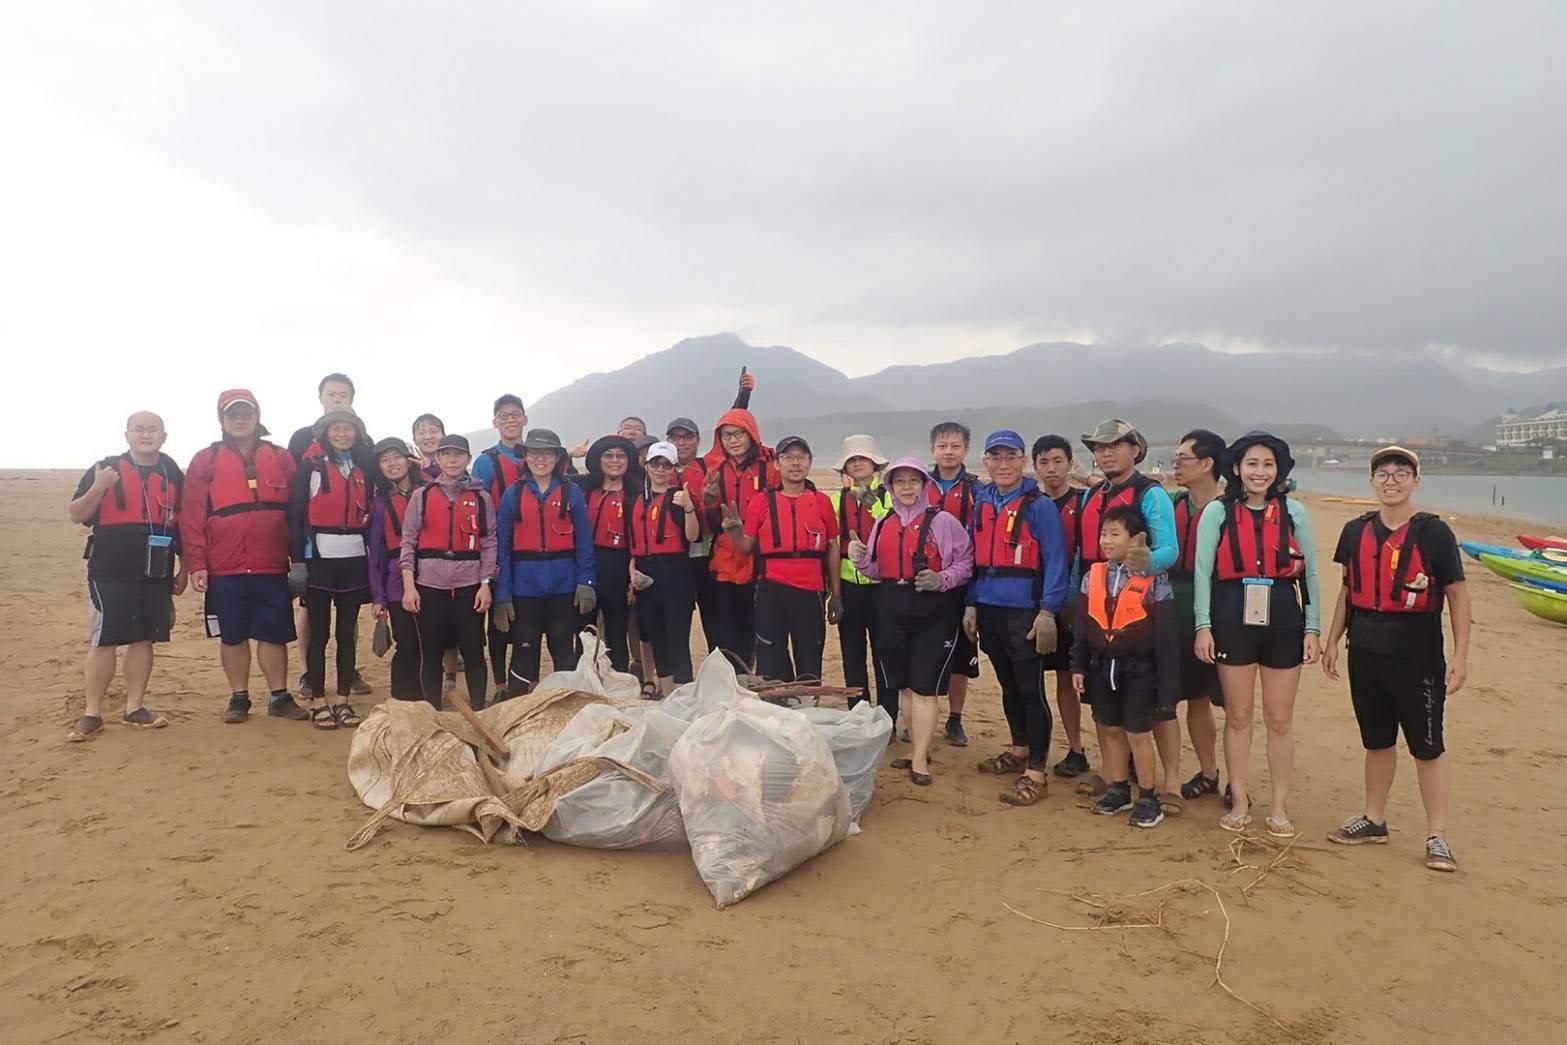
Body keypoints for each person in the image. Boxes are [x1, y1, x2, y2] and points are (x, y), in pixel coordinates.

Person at [1322, 446, 1469, 873]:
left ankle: (1437, 835)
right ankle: (1374, 819)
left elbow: (1457, 594)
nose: (1391, 480)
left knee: (1427, 745)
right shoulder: (1355, 531)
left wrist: (1460, 655)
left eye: (1401, 473)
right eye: (1383, 473)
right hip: (1365, 648)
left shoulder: (1434, 533)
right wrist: (1332, 640)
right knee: (1377, 740)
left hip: (1417, 651)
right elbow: (1348, 591)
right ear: (1372, 482)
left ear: (1415, 482)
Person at [1194, 431, 1321, 836]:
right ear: (1236, 468)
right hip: (1232, 614)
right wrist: (1203, 626)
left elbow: (1312, 574)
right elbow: (1201, 573)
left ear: (1278, 470)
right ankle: (1240, 800)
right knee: (1239, 715)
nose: (1259, 472)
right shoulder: (1217, 513)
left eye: (1268, 464)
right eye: (1252, 464)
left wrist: (1313, 627)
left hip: (1284, 614)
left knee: (1280, 718)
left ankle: (1280, 807)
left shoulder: (1294, 513)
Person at [181, 390, 310, 724]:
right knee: (233, 633)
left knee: (273, 633)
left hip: (271, 563)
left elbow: (298, 513)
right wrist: (197, 563)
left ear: (257, 417)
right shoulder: (204, 460)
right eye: (232, 415)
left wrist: (299, 560)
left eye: (246, 414)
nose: (240, 420)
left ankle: (279, 696)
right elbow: (192, 515)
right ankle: (239, 697)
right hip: (224, 565)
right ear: (222, 420)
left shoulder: (280, 457)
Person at [850, 458, 973, 785]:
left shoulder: (943, 521)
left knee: (924, 687)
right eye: (899, 481)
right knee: (903, 684)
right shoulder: (884, 523)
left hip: (932, 609)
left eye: (913, 481)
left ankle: (920, 757)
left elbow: (965, 561)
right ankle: (912, 749)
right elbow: (877, 569)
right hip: (891, 605)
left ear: (924, 485)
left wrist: (942, 578)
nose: (907, 487)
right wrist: (860, 560)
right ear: (890, 487)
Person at [1075, 419, 1178, 805]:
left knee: (1156, 711)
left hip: (1141, 607)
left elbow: (1170, 549)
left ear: (1136, 449)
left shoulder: (1152, 495)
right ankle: (1114, 776)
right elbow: (1081, 555)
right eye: (1099, 447)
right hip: (1097, 604)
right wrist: (1073, 602)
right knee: (1105, 711)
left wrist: (1145, 562)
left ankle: (1168, 785)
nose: (1105, 453)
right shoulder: (1092, 496)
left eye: (1115, 445)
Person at [964, 430, 1070, 807]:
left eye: (1011, 457)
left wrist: (1047, 611)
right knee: (1007, 687)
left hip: (1025, 609)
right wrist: (971, 603)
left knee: (1030, 690)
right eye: (996, 457)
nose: (1003, 464)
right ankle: (1020, 750)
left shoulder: (1038, 506)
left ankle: (1037, 772)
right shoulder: (982, 502)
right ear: (986, 462)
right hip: (990, 607)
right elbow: (974, 559)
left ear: (1023, 460)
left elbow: (1057, 560)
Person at [66, 411, 186, 741]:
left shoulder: (172, 471)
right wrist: (99, 487)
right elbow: (76, 514)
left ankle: (135, 707)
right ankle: (92, 713)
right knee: (104, 639)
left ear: (164, 435)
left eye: (153, 430)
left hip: (156, 569)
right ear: (127, 434)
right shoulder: (105, 468)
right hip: (110, 568)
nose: (146, 435)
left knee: (144, 638)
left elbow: (183, 524)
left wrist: (185, 568)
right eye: (139, 429)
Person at [286, 372, 373, 698]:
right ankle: (313, 682)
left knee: (347, 628)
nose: (337, 399)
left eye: (344, 395)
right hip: (317, 555)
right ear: (321, 397)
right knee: (316, 624)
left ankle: (345, 685)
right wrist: (296, 559)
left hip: (353, 556)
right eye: (332, 394)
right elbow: (295, 509)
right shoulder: (305, 452)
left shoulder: (365, 454)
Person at [398, 433, 496, 709]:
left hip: (469, 585)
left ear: (467, 459)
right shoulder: (423, 495)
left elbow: (489, 543)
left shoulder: (481, 498)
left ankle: (479, 708)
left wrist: (486, 583)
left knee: (474, 650)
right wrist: (409, 586)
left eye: (459, 455)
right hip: (430, 585)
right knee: (431, 652)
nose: (453, 460)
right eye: (447, 454)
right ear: (438, 459)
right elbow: (409, 541)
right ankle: (433, 710)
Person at [494, 429, 596, 693]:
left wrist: (586, 581)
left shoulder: (571, 492)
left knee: (563, 647)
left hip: (564, 586)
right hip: (524, 588)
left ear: (557, 457)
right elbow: (502, 549)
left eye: (548, 453)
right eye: (535, 453)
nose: (541, 459)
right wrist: (502, 595)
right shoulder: (511, 495)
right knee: (524, 647)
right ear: (525, 456)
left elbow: (584, 540)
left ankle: (567, 707)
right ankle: (519, 709)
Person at [733, 435, 841, 682]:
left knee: (809, 657)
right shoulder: (761, 501)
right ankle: (776, 711)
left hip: (811, 589)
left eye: (801, 457)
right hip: (771, 589)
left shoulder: (821, 501)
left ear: (810, 462)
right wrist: (734, 531)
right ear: (777, 464)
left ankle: (807, 711)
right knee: (771, 660)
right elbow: (746, 547)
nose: (795, 463)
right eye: (788, 457)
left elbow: (832, 547)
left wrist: (836, 595)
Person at [695, 407, 779, 667]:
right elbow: (708, 523)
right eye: (726, 435)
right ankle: (730, 679)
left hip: (759, 557)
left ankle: (756, 680)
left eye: (738, 434)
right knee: (725, 626)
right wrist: (707, 502)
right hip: (724, 558)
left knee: (756, 625)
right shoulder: (716, 471)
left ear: (751, 434)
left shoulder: (770, 469)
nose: (732, 440)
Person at [1170, 429, 1227, 803]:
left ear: (1207, 464)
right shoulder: (1174, 502)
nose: (1176, 465)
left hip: (1221, 612)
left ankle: (1236, 781)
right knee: (1192, 697)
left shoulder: (1231, 510)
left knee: (1232, 706)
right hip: (1174, 610)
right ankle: (1207, 773)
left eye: (1183, 459)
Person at [1032, 434, 1088, 776]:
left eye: (1057, 461)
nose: (1051, 469)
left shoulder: (1086, 502)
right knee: (1035, 680)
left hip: (1076, 606)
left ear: (1070, 464)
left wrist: (1088, 478)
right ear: (1034, 467)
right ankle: (1042, 748)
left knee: (1074, 680)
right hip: (1038, 603)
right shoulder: (1032, 503)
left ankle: (1080, 749)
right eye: (1043, 462)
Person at [629, 441, 703, 695]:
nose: (660, 469)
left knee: (677, 638)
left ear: (673, 467)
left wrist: (690, 507)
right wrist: (632, 572)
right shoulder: (636, 500)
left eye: (666, 464)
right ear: (646, 466)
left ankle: (683, 694)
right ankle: (667, 691)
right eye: (655, 463)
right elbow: (632, 543)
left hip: (675, 571)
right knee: (656, 636)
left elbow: (693, 537)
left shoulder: (678, 498)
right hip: (645, 573)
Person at [927, 422, 982, 746]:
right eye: (943, 445)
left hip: (963, 583)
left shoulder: (977, 488)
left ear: (966, 450)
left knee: (962, 653)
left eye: (955, 446)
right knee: (928, 651)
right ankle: (925, 715)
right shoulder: (920, 483)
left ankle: (955, 719)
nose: (949, 451)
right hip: (927, 583)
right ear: (933, 449)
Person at [829, 435, 891, 710]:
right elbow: (831, 547)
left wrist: (873, 506)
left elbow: (897, 531)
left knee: (886, 655)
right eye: (852, 460)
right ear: (845, 469)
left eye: (862, 458)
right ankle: (859, 713)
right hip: (848, 587)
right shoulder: (835, 501)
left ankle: (888, 716)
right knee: (852, 656)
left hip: (884, 587)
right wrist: (835, 594)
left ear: (874, 464)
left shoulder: (891, 496)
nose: (857, 463)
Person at [472, 394, 529, 696]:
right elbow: (476, 502)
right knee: (498, 619)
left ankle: (521, 679)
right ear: (495, 422)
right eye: (503, 415)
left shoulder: (536, 454)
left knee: (525, 616)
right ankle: (500, 685)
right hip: (497, 546)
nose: (510, 420)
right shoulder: (486, 460)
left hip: (530, 549)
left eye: (515, 414)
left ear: (524, 419)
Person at [367, 437, 426, 703]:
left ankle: (427, 697)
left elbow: (453, 476)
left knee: (428, 641)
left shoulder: (428, 489)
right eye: (384, 460)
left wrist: (427, 465)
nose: (392, 464)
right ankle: (402, 699)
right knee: (406, 642)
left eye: (397, 457)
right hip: (395, 580)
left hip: (429, 574)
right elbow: (375, 554)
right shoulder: (380, 504)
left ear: (408, 459)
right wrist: (378, 596)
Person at [577, 435, 640, 672]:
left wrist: (632, 575)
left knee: (617, 630)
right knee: (584, 630)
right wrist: (570, 454)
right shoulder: (583, 489)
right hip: (586, 563)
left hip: (620, 565)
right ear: (597, 459)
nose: (615, 460)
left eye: (621, 455)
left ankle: (620, 681)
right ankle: (584, 682)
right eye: (608, 455)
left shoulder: (636, 493)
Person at [411, 413, 445, 481]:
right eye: (421, 433)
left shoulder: (454, 463)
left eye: (433, 431)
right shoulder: (410, 469)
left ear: (443, 436)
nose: (428, 437)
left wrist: (432, 468)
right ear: (414, 440)